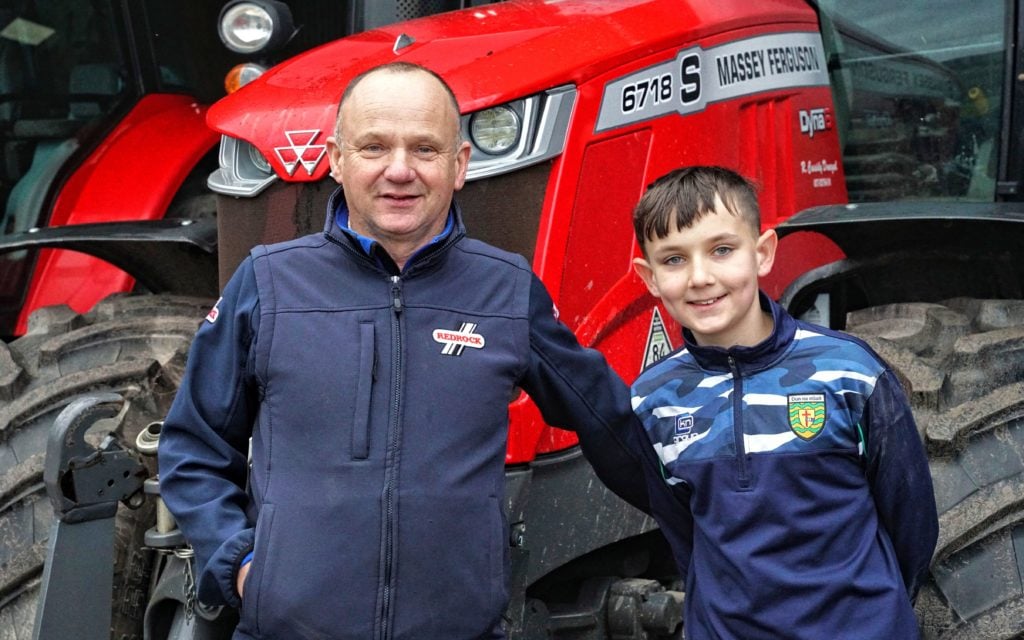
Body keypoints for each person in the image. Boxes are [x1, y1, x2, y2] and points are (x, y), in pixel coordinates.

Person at [157, 62, 648, 640]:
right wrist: (241, 567)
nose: (399, 170)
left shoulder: (505, 291)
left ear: (459, 165)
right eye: (373, 147)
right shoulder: (267, 284)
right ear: (337, 160)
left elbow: (613, 424)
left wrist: (724, 511)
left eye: (425, 149)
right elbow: (193, 446)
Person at [628, 166, 938, 639]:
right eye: (673, 260)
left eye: (722, 250)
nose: (700, 277)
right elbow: (684, 534)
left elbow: (910, 520)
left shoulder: (849, 373)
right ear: (649, 278)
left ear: (763, 253)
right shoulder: (654, 400)